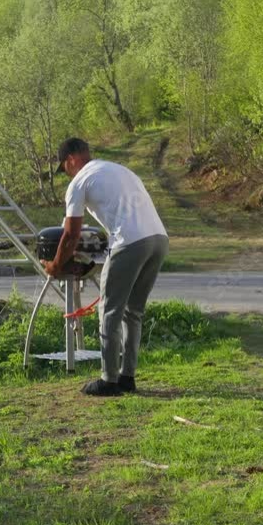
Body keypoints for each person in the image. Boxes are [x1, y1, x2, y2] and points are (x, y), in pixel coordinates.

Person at [41, 137, 169, 396]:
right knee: (133, 312)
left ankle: (108, 380)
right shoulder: (119, 170)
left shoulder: (78, 182)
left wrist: (55, 265)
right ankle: (127, 377)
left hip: (129, 242)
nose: (66, 173)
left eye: (64, 168)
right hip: (158, 239)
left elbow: (71, 235)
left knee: (109, 310)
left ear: (70, 160)